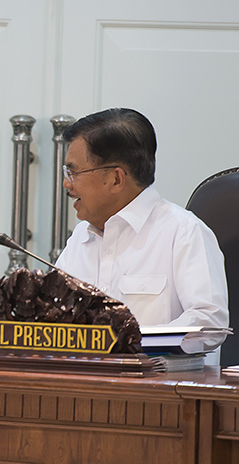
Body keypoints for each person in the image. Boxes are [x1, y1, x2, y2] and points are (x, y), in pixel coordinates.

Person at [55, 108, 228, 334]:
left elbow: (209, 321)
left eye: (74, 172)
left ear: (116, 179)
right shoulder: (80, 237)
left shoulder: (183, 232)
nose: (67, 184)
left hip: (158, 368)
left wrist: (132, 344)